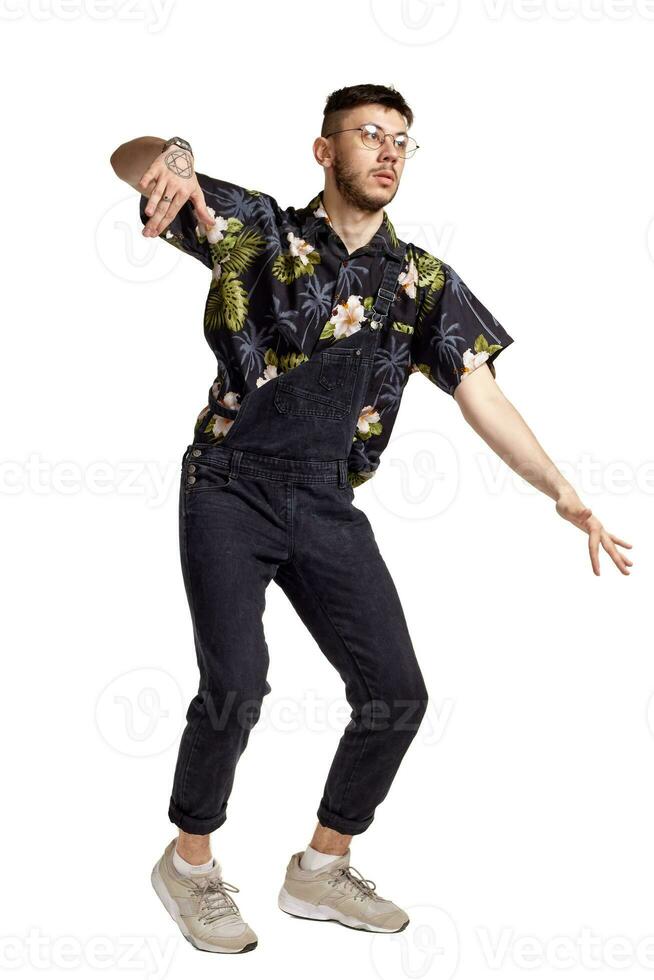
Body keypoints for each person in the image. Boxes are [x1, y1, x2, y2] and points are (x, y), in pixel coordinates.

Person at [109, 82, 633, 955]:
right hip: (228, 483)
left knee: (395, 694)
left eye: (403, 140)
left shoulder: (418, 279)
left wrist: (561, 489)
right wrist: (168, 158)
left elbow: (481, 389)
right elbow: (129, 164)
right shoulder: (258, 230)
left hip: (325, 496)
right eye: (369, 134)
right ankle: (190, 863)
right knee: (237, 685)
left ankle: (320, 869)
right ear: (326, 151)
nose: (389, 150)